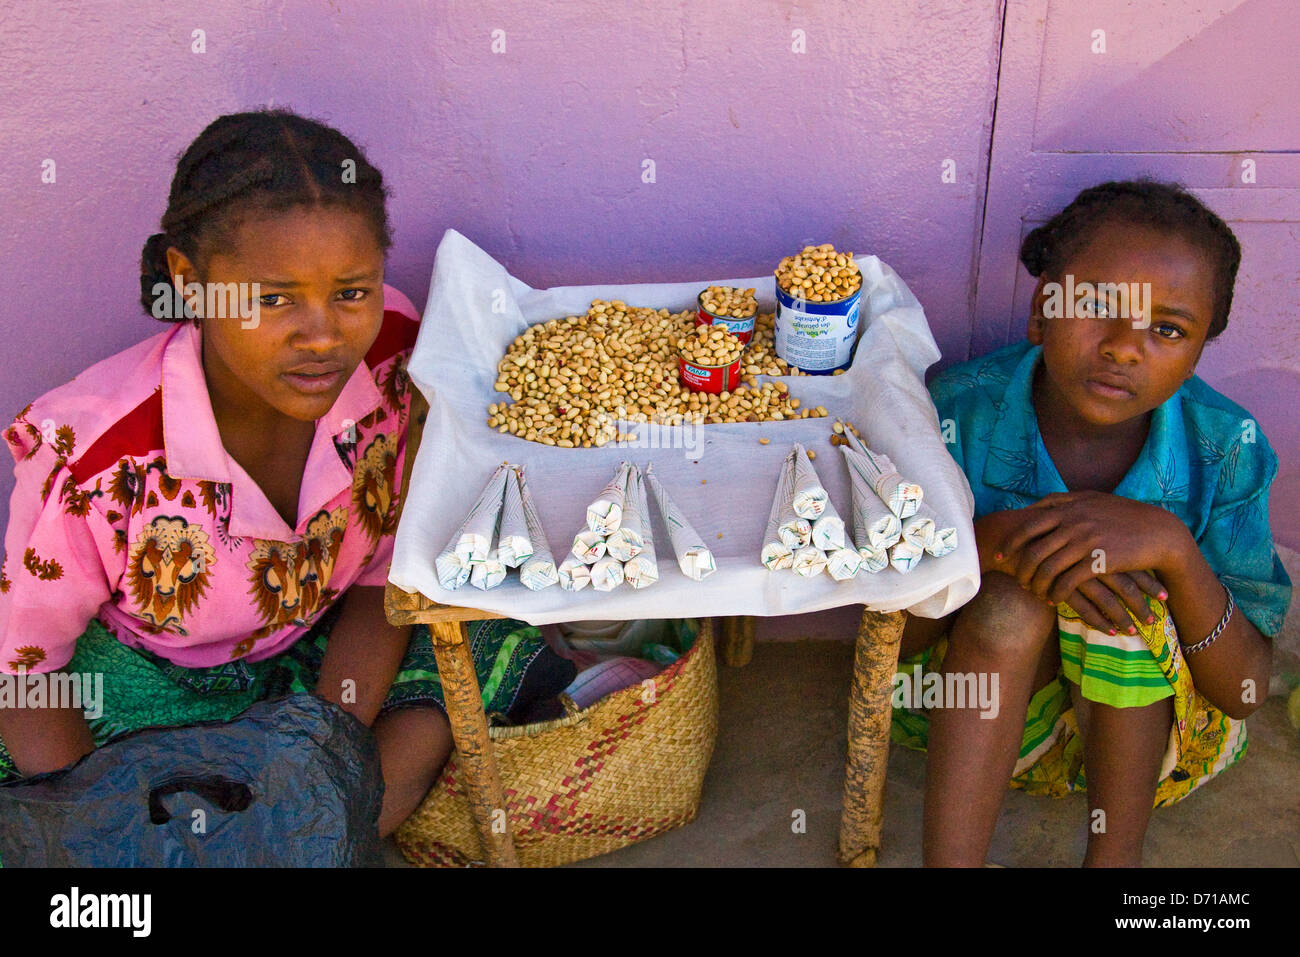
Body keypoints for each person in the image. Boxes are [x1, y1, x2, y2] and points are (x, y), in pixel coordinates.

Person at [0, 109, 570, 842]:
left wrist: (320, 752)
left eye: (351, 291)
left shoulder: (394, 353)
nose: (325, 335)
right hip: (146, 693)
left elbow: (377, 578)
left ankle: (301, 827)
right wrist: (112, 836)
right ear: (191, 282)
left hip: (316, 655)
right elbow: (27, 671)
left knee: (486, 631)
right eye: (273, 298)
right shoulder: (95, 459)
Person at [893, 180, 1292, 866]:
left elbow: (1245, 690)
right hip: (976, 720)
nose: (1124, 347)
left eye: (1167, 329)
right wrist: (1002, 546)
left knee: (1133, 604)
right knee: (1008, 604)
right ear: (1042, 312)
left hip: (1166, 751)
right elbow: (892, 644)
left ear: (1198, 352)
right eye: (1095, 306)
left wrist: (1169, 547)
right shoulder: (956, 411)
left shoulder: (1227, 446)